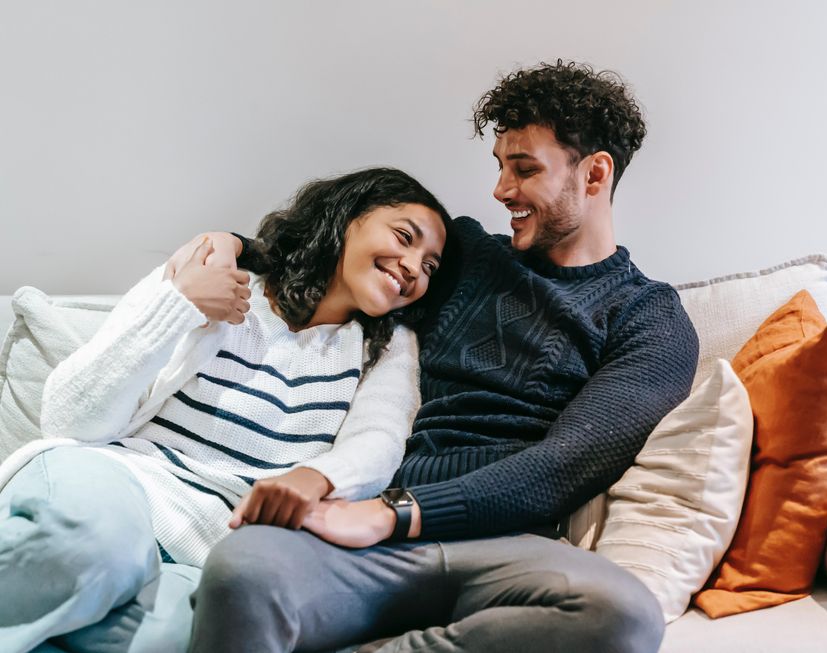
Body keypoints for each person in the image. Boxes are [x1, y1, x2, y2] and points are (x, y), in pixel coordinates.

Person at [184, 61, 700, 653]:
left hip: (504, 546)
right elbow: (332, 244)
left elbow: (565, 466)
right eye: (500, 166)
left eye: (525, 168)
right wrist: (231, 246)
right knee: (243, 568)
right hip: (361, 530)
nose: (501, 190)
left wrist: (396, 514)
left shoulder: (649, 318)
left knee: (621, 614)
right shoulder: (464, 255)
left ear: (594, 173)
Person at [0, 167, 451, 653]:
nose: (412, 266)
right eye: (405, 237)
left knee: (169, 640)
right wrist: (180, 304)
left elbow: (378, 443)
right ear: (348, 217)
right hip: (117, 483)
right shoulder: (217, 273)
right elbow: (71, 418)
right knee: (92, 550)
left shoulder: (387, 348)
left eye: (429, 266)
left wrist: (318, 480)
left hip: (208, 545)